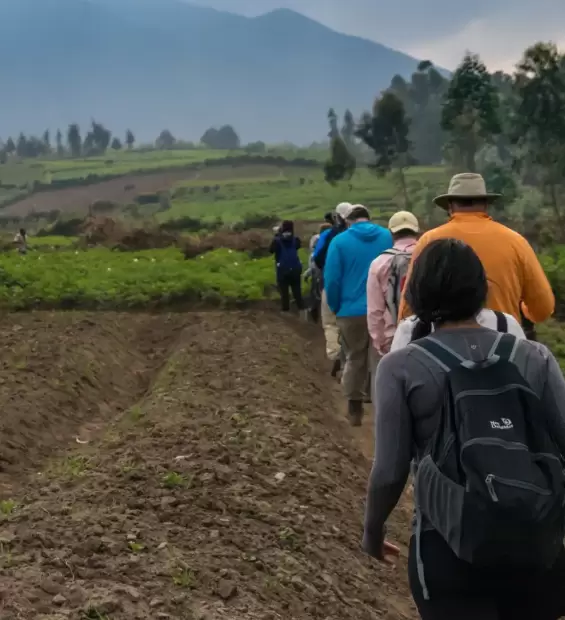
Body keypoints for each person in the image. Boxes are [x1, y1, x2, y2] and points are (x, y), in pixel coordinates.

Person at [364, 238, 565, 620]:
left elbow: (390, 471)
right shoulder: (535, 357)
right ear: (479, 290)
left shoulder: (401, 367)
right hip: (536, 544)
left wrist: (372, 530)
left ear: (417, 292)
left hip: (447, 546)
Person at [398, 173, 555, 328]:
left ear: (450, 206)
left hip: (442, 347)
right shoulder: (515, 241)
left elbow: (408, 309)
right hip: (502, 346)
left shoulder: (429, 241)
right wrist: (521, 310)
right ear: (486, 204)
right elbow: (543, 310)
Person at [324, 205, 393, 425]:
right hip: (383, 310)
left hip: (350, 311)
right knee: (380, 360)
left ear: (348, 221)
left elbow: (332, 279)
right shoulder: (386, 237)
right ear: (368, 218)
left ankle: (354, 409)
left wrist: (336, 307)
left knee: (354, 358)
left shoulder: (339, 242)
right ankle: (384, 410)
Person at [367, 211, 420, 361]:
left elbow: (375, 310)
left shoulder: (379, 263)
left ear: (391, 233)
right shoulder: (430, 255)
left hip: (394, 337)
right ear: (416, 231)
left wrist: (380, 342)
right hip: (429, 335)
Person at [312, 203, 353, 374]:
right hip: (353, 286)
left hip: (330, 284)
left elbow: (317, 257)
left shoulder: (329, 235)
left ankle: (336, 355)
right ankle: (351, 358)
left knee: (330, 323)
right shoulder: (358, 235)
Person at [269, 220, 305, 313]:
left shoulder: (277, 240)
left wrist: (277, 235)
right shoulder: (296, 239)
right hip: (296, 269)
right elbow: (297, 247)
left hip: (283, 269)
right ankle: (302, 311)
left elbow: (271, 250)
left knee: (284, 292)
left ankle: (286, 312)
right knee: (297, 291)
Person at [305, 221, 332, 323]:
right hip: (329, 272)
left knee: (316, 294)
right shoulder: (334, 241)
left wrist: (309, 272)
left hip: (319, 272)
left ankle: (315, 316)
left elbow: (314, 259)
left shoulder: (317, 240)